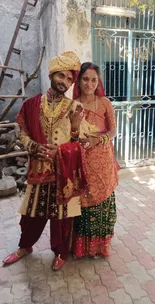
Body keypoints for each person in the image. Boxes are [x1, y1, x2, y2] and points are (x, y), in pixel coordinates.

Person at [2, 52, 95, 271]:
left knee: (62, 218)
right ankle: (25, 246)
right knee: (31, 213)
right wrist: (34, 147)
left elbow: (81, 143)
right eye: (61, 76)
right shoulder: (32, 104)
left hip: (63, 173)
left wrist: (70, 132)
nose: (65, 82)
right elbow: (21, 132)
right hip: (38, 170)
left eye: (70, 79)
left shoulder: (75, 108)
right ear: (52, 74)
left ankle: (61, 252)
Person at [72, 62, 119, 258]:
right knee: (82, 203)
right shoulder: (73, 106)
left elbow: (113, 130)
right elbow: (70, 136)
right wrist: (76, 129)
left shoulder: (104, 102)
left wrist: (98, 139)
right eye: (85, 79)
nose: (89, 83)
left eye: (93, 80)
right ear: (79, 80)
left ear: (98, 81)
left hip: (103, 160)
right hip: (82, 160)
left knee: (105, 203)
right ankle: (82, 248)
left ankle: (102, 246)